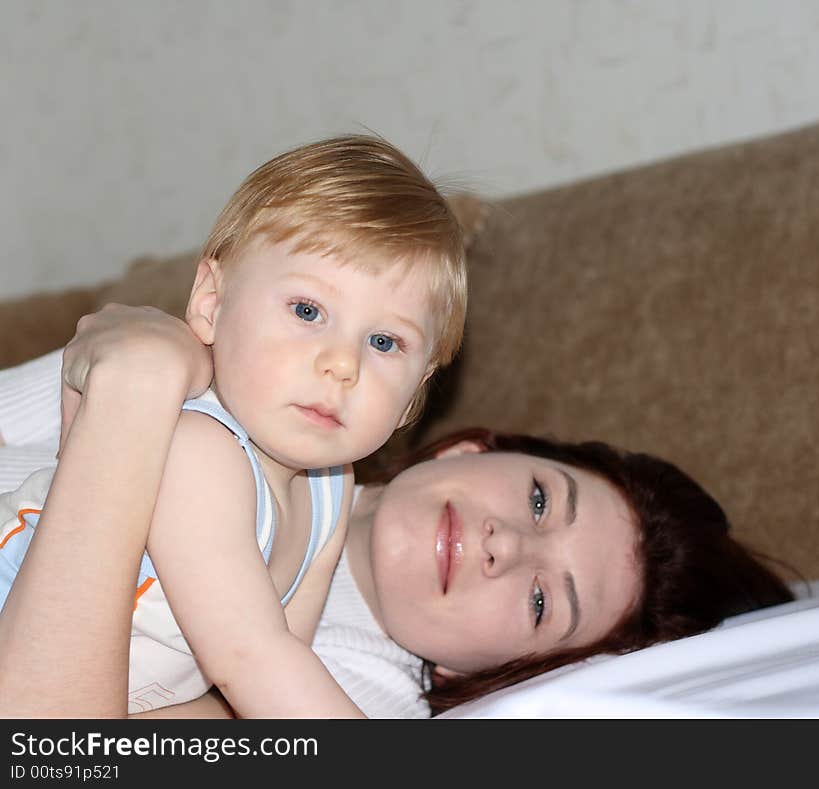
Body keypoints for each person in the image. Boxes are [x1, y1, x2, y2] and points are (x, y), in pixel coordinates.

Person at [0, 308, 794, 718]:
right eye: (542, 500)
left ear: (478, 672)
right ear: (470, 449)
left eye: (542, 600)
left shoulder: (354, 697)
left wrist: (135, 386)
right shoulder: (272, 386)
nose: (504, 546)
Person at [0, 133, 468, 718]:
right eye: (307, 311)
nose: (342, 365)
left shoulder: (330, 488)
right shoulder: (198, 450)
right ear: (210, 303)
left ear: (411, 400)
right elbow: (251, 659)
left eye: (383, 342)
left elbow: (265, 683)